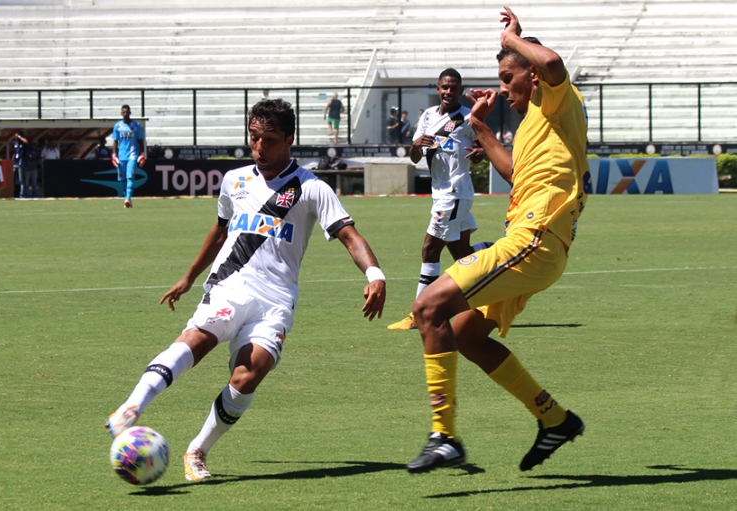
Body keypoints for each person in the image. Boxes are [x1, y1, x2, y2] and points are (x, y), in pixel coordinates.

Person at [105, 99, 387, 482]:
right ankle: (131, 407)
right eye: (254, 138)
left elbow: (349, 235)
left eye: (269, 140)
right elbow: (220, 231)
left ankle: (197, 450)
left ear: (289, 139)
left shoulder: (311, 188)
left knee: (248, 375)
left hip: (275, 300)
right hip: (230, 285)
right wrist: (189, 276)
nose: (259, 147)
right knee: (198, 340)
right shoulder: (234, 180)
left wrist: (375, 274)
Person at [405, 6, 590, 474]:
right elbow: (515, 175)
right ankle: (555, 419)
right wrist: (481, 127)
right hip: (532, 242)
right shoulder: (534, 123)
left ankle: (444, 436)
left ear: (532, 75)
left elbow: (552, 63)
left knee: (428, 307)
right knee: (466, 336)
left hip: (536, 237)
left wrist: (512, 39)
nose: (503, 89)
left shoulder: (558, 99)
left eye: (508, 79)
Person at [387, 68, 487, 331]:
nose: (448, 92)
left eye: (453, 88)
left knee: (430, 249)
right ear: (438, 88)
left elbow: (487, 144)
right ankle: (493, 253)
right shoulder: (428, 116)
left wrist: (480, 151)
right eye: (445, 87)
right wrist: (416, 144)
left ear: (460, 90)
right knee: (462, 254)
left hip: (454, 193)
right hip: (440, 193)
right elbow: (414, 158)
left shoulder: (468, 117)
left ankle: (419, 313)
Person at [112, 105, 146, 208]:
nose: (125, 114)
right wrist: (114, 154)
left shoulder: (136, 125)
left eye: (127, 112)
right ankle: (128, 199)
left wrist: (142, 153)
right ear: (121, 113)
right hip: (121, 156)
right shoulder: (117, 126)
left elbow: (140, 140)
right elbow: (115, 141)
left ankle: (127, 199)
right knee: (122, 179)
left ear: (130, 113)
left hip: (132, 155)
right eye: (124, 112)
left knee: (130, 177)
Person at [12, 131, 29, 198]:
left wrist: (19, 136)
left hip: (21, 163)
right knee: (13, 179)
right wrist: (12, 161)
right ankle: (13, 193)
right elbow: (14, 153)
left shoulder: (23, 143)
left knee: (22, 180)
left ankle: (22, 194)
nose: (16, 137)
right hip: (15, 163)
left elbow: (26, 141)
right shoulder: (15, 143)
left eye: (17, 136)